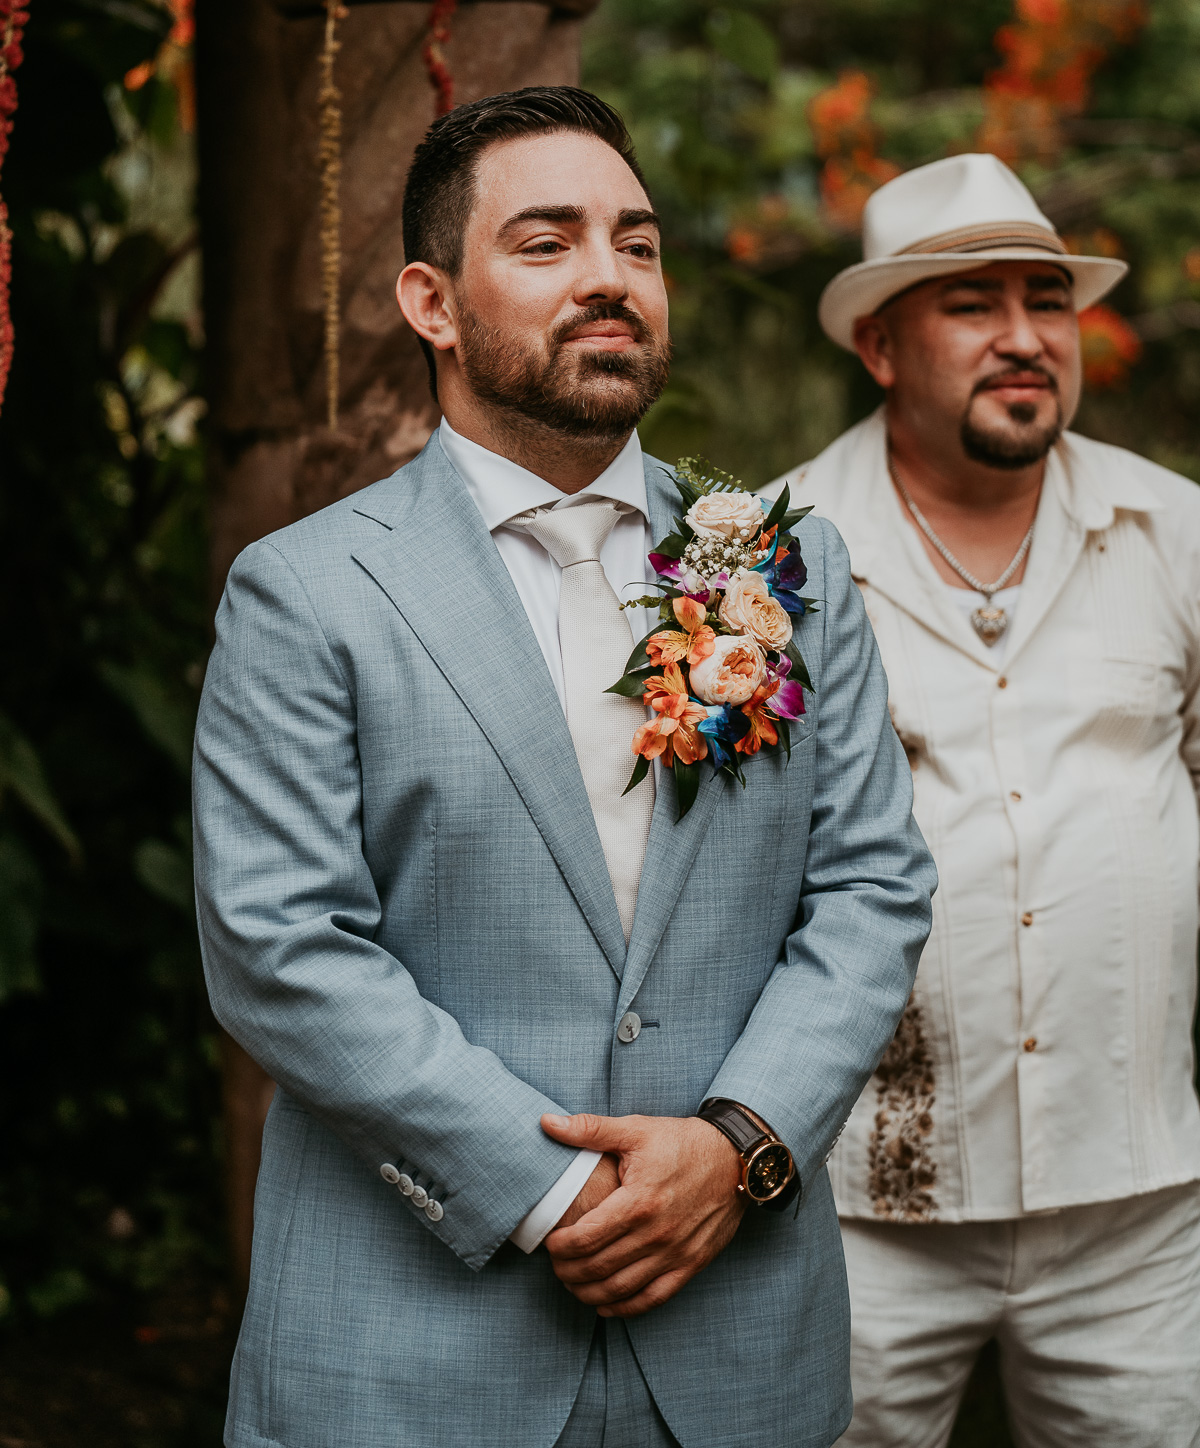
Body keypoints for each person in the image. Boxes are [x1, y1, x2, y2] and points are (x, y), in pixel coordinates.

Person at [192, 86, 934, 1448]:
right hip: (409, 1355)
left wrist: (736, 1146)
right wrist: (554, 1195)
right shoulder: (306, 592)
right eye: (547, 244)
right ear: (432, 301)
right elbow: (279, 946)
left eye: (637, 245)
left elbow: (874, 889)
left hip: (734, 1344)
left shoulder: (770, 562)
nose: (609, 278)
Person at [766, 152, 1200, 1448]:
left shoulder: (1176, 535)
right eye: (972, 303)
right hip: (854, 1207)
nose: (1024, 338)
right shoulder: (771, 565)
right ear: (883, 346)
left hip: (1140, 1200)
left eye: (1046, 300)